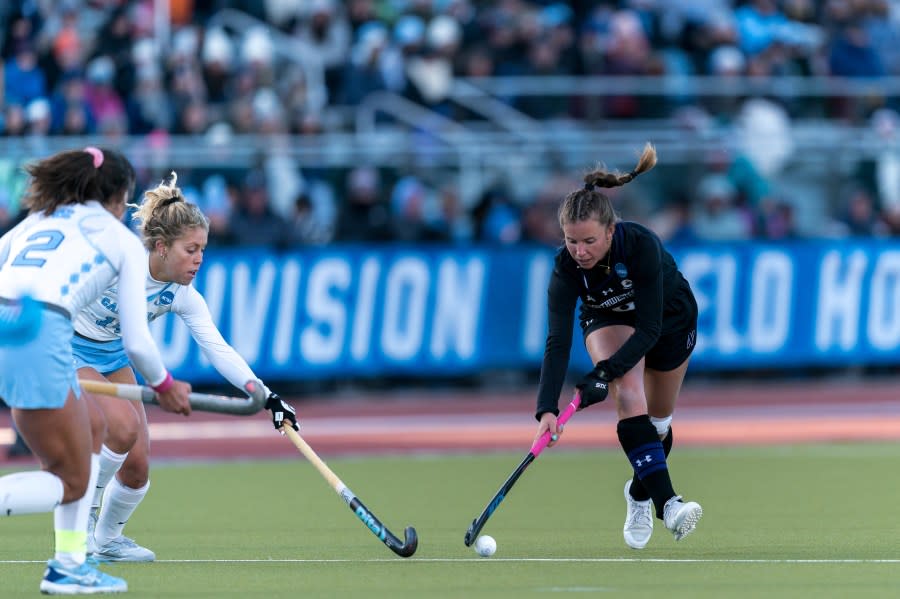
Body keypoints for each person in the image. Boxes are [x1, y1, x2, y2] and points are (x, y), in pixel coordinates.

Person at [74, 172, 298, 562]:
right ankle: (80, 528)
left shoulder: (181, 294)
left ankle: (107, 539)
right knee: (123, 428)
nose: (198, 260)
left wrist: (266, 396)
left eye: (203, 250)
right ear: (161, 247)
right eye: (190, 249)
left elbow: (217, 347)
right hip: (67, 347)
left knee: (138, 465)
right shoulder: (114, 263)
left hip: (111, 356)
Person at [0, 147, 192, 594]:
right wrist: (164, 385)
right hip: (41, 330)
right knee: (69, 478)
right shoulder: (120, 238)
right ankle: (68, 565)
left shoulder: (38, 218)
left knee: (92, 429)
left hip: (14, 323)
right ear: (118, 193)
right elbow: (137, 342)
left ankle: (68, 566)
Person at [534, 143, 703, 550]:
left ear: (611, 230)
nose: (581, 252)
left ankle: (638, 492)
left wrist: (600, 375)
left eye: (589, 241)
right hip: (607, 319)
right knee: (630, 396)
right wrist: (547, 409)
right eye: (572, 242)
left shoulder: (641, 245)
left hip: (668, 321)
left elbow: (648, 330)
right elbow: (557, 342)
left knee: (658, 426)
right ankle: (669, 505)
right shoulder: (566, 269)